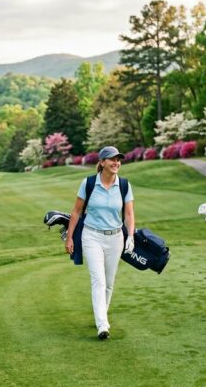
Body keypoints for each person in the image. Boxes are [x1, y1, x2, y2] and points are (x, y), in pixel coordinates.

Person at [65, 146, 135, 340]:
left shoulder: (124, 185)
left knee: (109, 283)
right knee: (99, 280)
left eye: (118, 160)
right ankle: (102, 325)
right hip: (91, 236)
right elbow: (76, 211)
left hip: (115, 238)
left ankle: (101, 314)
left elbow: (129, 214)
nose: (116, 163)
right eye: (112, 159)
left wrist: (130, 236)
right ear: (102, 162)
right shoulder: (88, 183)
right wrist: (70, 237)